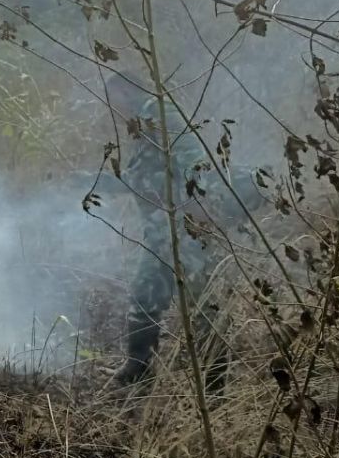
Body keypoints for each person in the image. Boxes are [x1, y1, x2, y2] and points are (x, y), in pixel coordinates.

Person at [105, 73, 262, 385]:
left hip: (186, 230)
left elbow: (195, 160)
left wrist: (196, 199)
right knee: (147, 294)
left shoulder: (161, 116)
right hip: (165, 232)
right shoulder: (144, 124)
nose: (113, 108)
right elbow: (143, 180)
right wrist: (89, 182)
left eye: (113, 99)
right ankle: (138, 371)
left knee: (201, 308)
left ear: (126, 91)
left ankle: (215, 386)